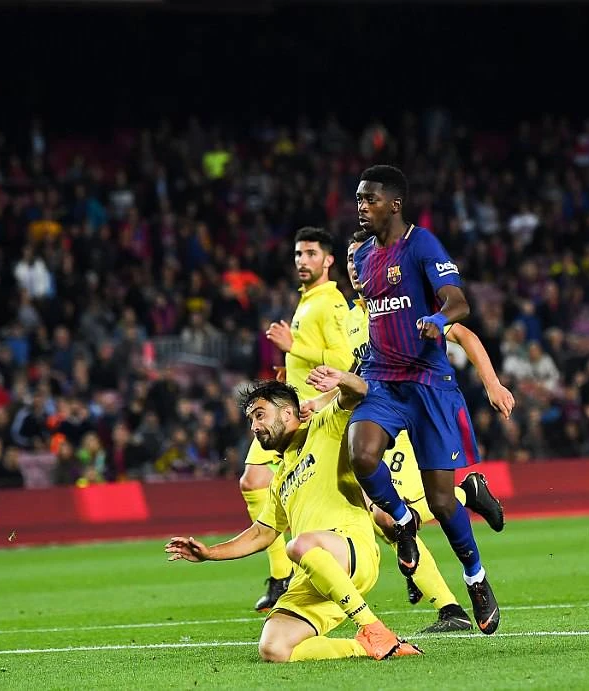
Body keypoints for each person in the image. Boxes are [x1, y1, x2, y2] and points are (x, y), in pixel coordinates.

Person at [166, 378, 421, 662]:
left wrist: (336, 382)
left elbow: (360, 390)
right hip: (313, 574)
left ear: (288, 413)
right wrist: (209, 553)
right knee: (274, 648)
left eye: (260, 415)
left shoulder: (325, 427)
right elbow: (261, 534)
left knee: (297, 546)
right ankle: (367, 646)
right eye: (251, 420)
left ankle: (373, 628)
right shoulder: (280, 479)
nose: (254, 427)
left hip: (351, 550)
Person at [336, 236, 513, 632]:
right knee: (385, 511)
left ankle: (473, 574)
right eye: (350, 258)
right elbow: (356, 372)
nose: (355, 265)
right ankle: (442, 593)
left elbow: (464, 335)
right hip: (383, 412)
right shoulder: (349, 320)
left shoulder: (404, 301)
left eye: (360, 256)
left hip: (424, 404)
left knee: (439, 502)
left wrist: (492, 384)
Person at [238, 226, 353, 612]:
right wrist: (290, 368)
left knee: (357, 504)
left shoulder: (331, 303)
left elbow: (344, 360)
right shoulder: (307, 301)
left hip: (310, 413)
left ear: (329, 260)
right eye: (298, 254)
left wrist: (295, 346)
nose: (303, 261)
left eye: (311, 254)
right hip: (291, 406)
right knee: (254, 481)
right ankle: (281, 575)